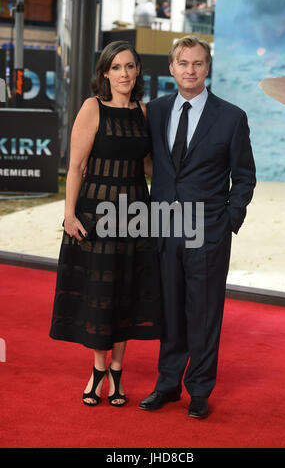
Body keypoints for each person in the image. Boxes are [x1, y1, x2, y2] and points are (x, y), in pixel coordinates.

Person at [139, 36, 256, 418]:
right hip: (162, 228)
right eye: (183, 63)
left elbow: (244, 177)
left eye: (198, 63)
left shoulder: (231, 117)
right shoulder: (154, 112)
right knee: (170, 310)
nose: (190, 70)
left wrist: (227, 222)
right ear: (171, 68)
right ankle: (168, 385)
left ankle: (200, 390)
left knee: (204, 313)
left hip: (208, 231)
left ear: (208, 68)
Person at [50, 41, 162, 408]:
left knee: (125, 293)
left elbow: (147, 165)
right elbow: (77, 167)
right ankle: (97, 370)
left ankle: (117, 371)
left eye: (130, 66)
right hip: (96, 215)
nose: (124, 74)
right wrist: (69, 215)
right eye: (117, 67)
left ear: (138, 71)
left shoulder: (144, 112)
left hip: (134, 215)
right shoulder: (91, 108)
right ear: (105, 73)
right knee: (100, 293)